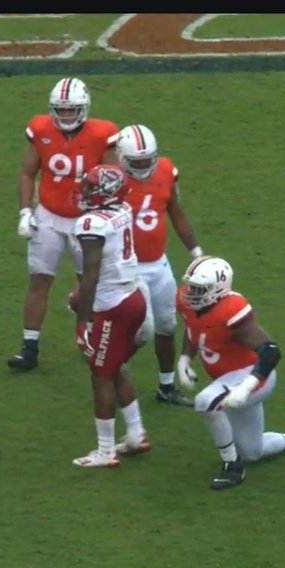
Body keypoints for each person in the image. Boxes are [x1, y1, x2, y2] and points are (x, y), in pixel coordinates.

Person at [175, 256, 285, 489]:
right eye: (191, 286)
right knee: (253, 451)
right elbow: (193, 329)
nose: (190, 292)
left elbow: (271, 352)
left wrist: (246, 387)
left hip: (253, 376)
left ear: (218, 289)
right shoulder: (190, 302)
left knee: (205, 402)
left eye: (199, 289)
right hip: (227, 380)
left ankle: (232, 467)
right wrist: (184, 359)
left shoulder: (230, 310)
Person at [8, 77, 120, 372]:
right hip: (49, 215)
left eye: (72, 110)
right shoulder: (41, 129)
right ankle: (29, 346)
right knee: (39, 280)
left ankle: (87, 339)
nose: (66, 115)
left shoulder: (103, 134)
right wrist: (24, 211)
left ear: (84, 109)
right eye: (62, 110)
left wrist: (107, 216)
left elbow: (114, 179)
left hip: (87, 220)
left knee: (89, 283)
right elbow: (26, 173)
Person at [66, 165, 153, 468]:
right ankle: (136, 433)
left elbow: (90, 277)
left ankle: (105, 451)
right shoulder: (123, 209)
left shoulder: (91, 224)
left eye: (90, 187)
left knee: (100, 374)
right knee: (116, 366)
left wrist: (83, 321)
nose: (84, 191)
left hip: (113, 306)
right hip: (133, 297)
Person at [114, 123, 205, 406]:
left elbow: (176, 213)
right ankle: (109, 368)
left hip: (159, 263)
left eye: (146, 160)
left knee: (167, 325)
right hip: (128, 266)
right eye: (136, 161)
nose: (142, 166)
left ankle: (166, 386)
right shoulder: (111, 180)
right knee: (146, 329)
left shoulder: (165, 170)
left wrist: (196, 252)